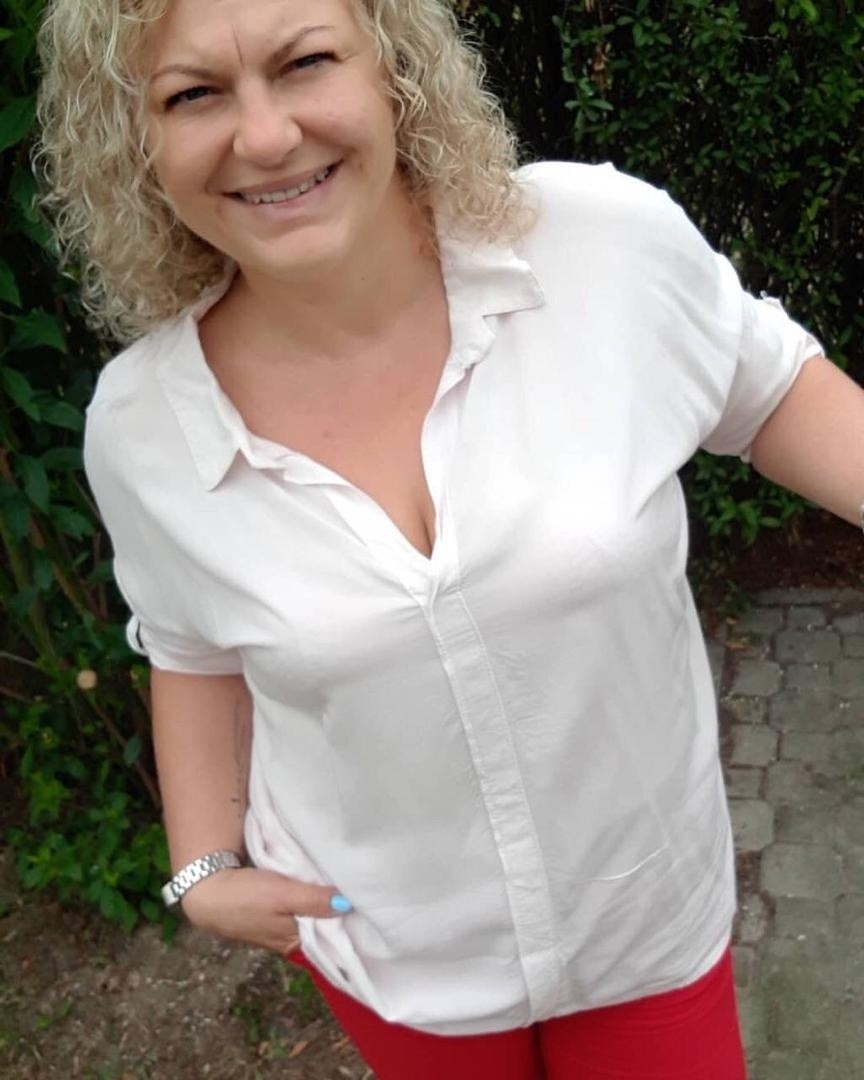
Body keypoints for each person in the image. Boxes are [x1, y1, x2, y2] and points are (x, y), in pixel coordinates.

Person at [37, 0, 864, 1077]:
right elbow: (191, 645)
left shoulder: (595, 247)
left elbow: (770, 387)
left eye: (306, 62)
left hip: (646, 922)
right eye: (193, 94)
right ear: (134, 140)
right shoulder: (143, 424)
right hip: (399, 960)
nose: (268, 135)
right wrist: (202, 866)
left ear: (395, 68)